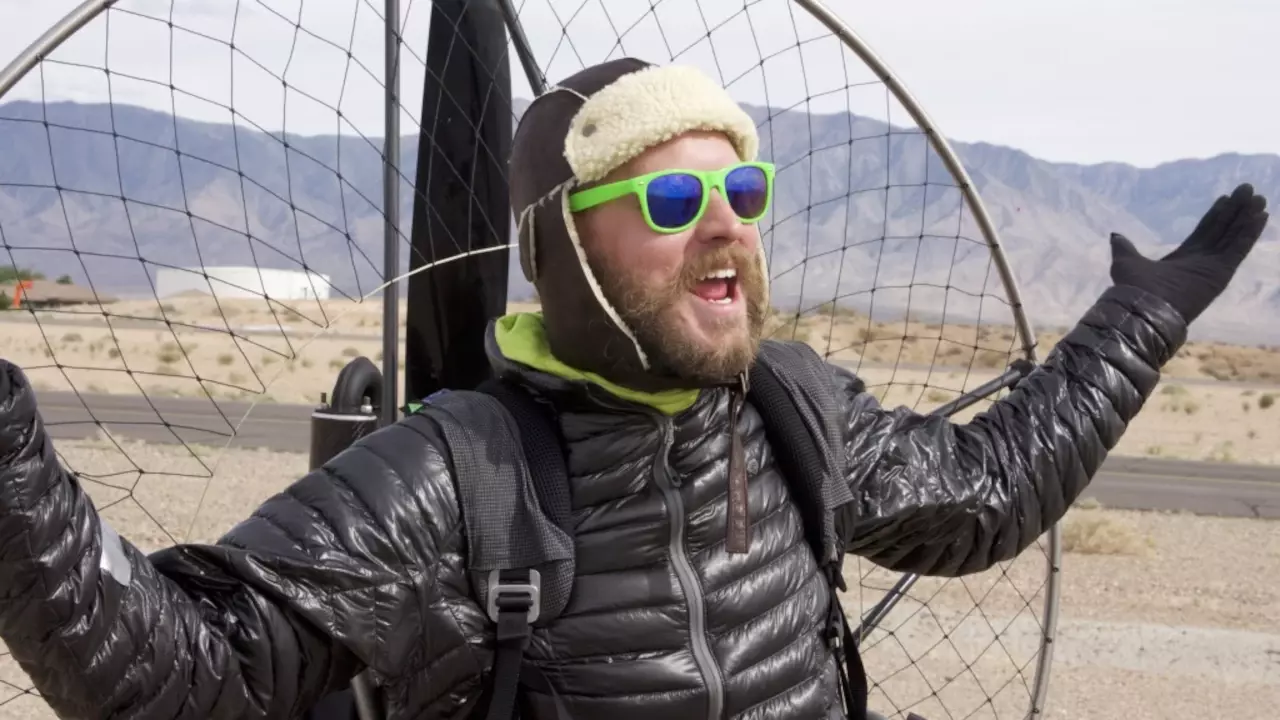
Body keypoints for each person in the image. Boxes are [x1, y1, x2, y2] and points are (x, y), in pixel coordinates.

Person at [0, 57, 1267, 720]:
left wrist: (1140, 317)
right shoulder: (455, 473)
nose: (724, 229)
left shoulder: (792, 406)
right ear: (560, 248)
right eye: (669, 199)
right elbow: (179, 673)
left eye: (742, 192)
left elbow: (982, 496)